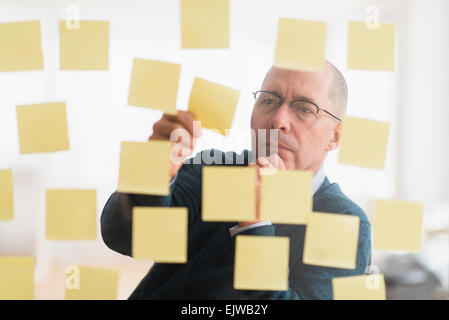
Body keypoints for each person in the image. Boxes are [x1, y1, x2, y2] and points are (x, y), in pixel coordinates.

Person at [100, 61, 372, 299]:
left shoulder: (343, 221)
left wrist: (254, 225)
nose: (278, 120)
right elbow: (124, 238)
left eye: (304, 108)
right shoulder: (215, 168)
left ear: (334, 136)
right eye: (269, 100)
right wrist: (153, 172)